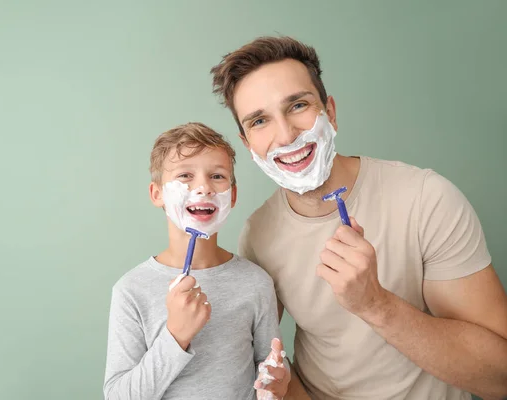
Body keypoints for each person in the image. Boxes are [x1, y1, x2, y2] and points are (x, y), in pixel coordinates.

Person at [209, 36, 507, 400]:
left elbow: (500, 379)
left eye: (298, 105)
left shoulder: (426, 199)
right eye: (259, 121)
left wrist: (375, 304)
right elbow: (257, 364)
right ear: (247, 144)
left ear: (329, 112)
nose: (286, 135)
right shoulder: (258, 236)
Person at [102, 122, 291, 399]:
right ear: (157, 194)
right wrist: (176, 335)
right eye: (185, 176)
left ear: (233, 195)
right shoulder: (131, 291)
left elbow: (270, 365)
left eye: (217, 176)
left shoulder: (255, 282)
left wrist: (277, 380)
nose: (203, 187)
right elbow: (118, 396)